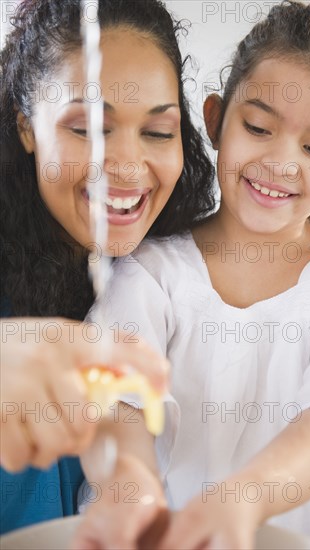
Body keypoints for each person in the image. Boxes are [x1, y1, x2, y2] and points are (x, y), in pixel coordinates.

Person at [92, 1, 310, 549]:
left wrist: (244, 497)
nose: (282, 163)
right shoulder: (153, 270)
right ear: (214, 120)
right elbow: (117, 397)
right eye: (258, 127)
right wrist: (129, 488)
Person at [0, 0, 215, 546]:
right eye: (88, 127)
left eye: (158, 132)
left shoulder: (172, 282)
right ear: (27, 127)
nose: (123, 165)